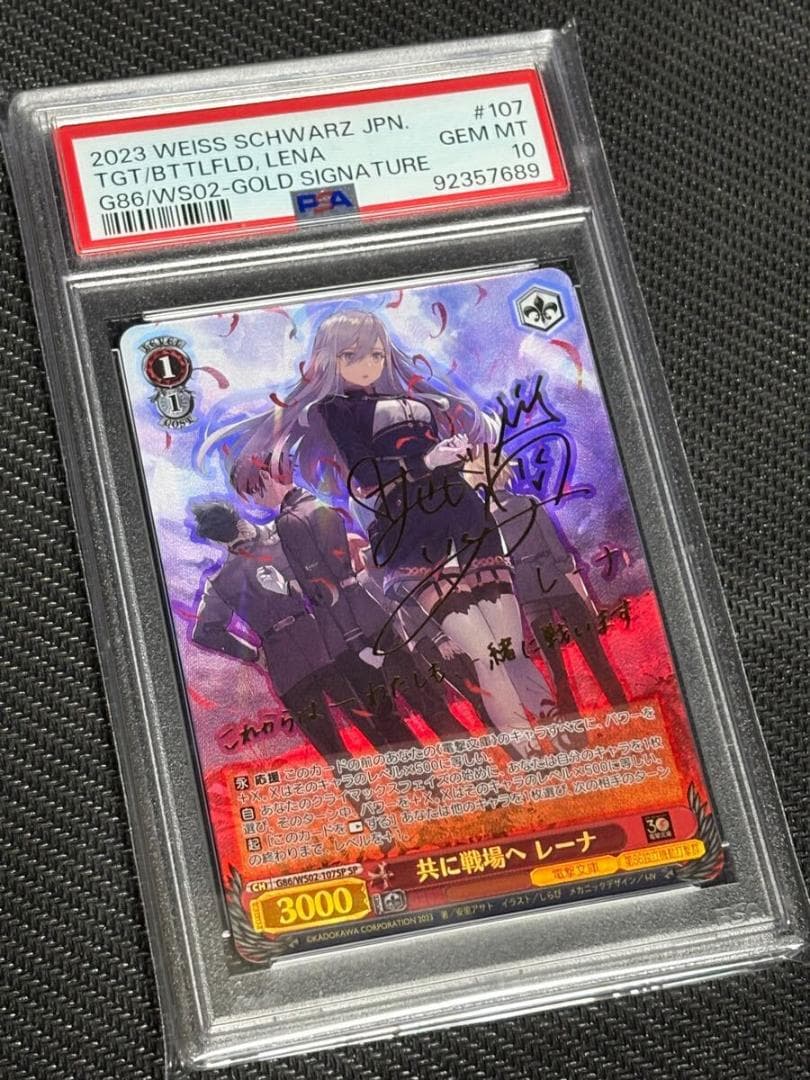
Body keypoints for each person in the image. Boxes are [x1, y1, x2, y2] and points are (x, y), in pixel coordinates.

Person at [223, 310, 554, 749]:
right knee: (484, 655)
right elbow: (365, 475)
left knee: (510, 649)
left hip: (464, 516)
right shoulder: (335, 410)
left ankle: (560, 740)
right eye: (352, 356)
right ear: (330, 360)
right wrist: (426, 461)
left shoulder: (411, 394)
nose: (368, 365)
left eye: (376, 355)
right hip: (412, 531)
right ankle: (529, 753)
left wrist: (452, 451)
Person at [189, 500, 401, 758]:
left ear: (214, 541)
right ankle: (407, 774)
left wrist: (253, 653)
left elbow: (204, 631)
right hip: (320, 644)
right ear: (237, 520)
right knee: (372, 724)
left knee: (333, 749)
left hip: (287, 664)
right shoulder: (277, 545)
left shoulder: (220, 582)